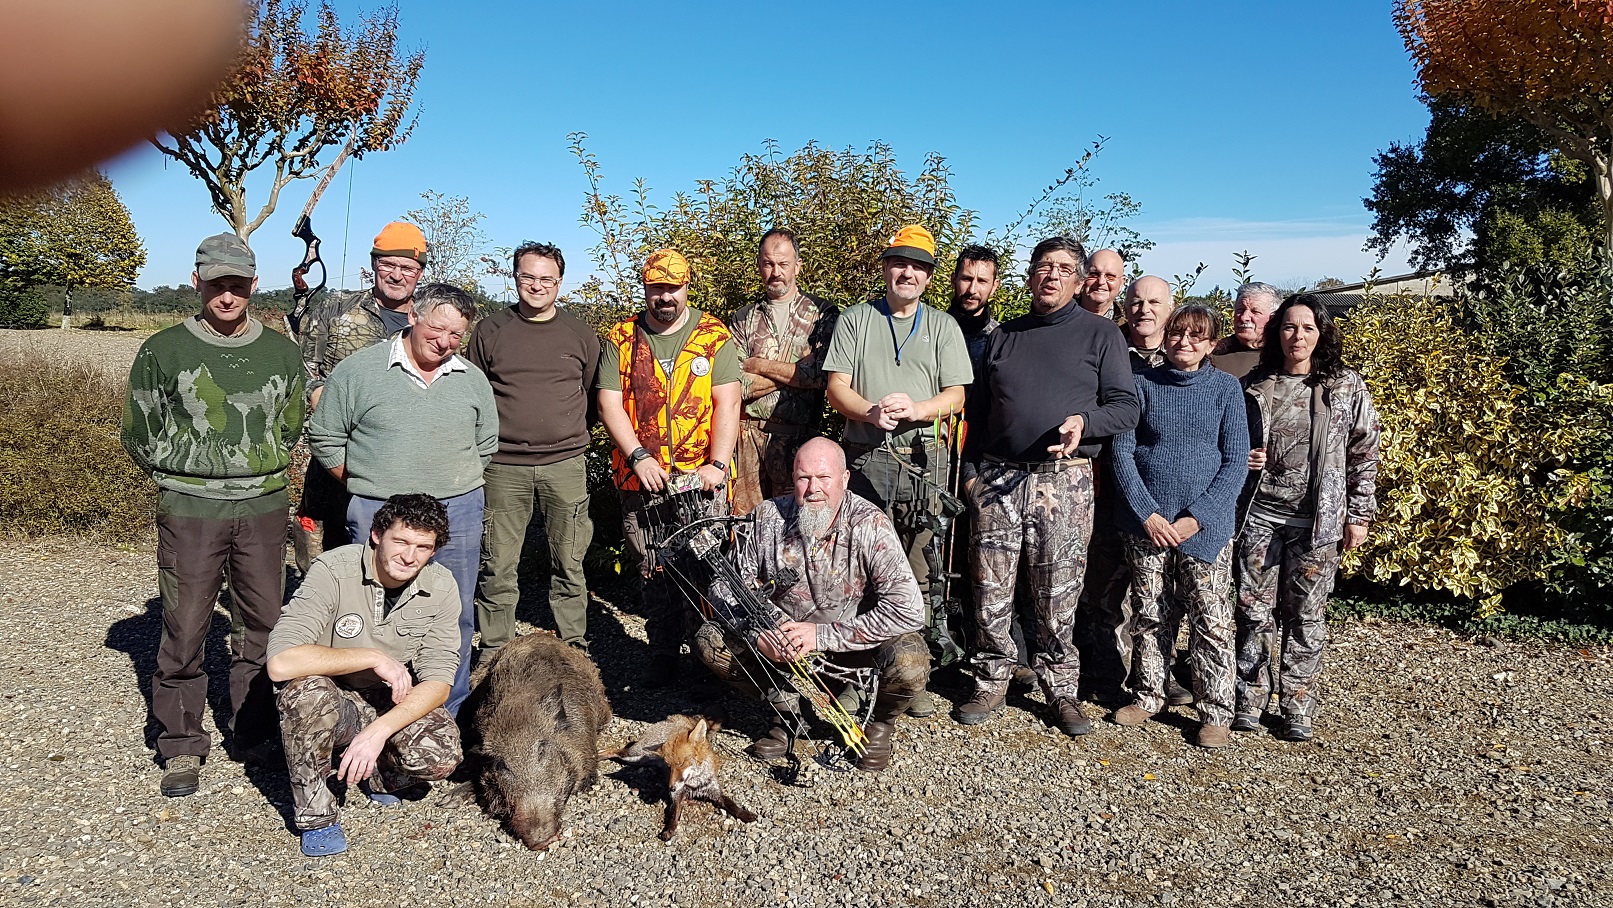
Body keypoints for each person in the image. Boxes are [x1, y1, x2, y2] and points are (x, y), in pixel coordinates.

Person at [120, 233, 306, 797]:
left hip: (265, 504)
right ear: (198, 282)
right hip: (190, 506)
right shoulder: (163, 350)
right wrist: (189, 471)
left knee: (264, 623)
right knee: (186, 622)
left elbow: (290, 424)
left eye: (237, 285)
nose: (227, 295)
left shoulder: (280, 353)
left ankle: (253, 733)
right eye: (216, 284)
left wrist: (254, 467)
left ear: (252, 285)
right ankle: (180, 742)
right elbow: (139, 430)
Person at [956, 236, 1139, 735]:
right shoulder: (1004, 336)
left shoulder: (1100, 335)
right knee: (990, 589)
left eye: (1062, 268)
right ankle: (991, 678)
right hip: (997, 480)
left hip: (1063, 482)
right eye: (1043, 267)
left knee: (1058, 592)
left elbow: (1126, 406)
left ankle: (1060, 688)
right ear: (1030, 276)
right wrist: (971, 474)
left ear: (1079, 280)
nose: (1051, 276)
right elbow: (976, 412)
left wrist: (1085, 421)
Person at [306, 283, 497, 715]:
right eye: (437, 329)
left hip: (458, 509)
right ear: (413, 316)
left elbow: (486, 443)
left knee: (454, 611)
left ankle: (447, 710)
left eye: (456, 335)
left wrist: (452, 478)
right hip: (378, 509)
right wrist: (363, 483)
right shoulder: (358, 371)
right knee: (369, 608)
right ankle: (364, 704)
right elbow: (326, 436)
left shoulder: (471, 379)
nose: (445, 343)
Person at [693, 438, 929, 772]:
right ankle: (788, 711)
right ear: (793, 478)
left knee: (910, 660)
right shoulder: (766, 517)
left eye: (824, 478)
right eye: (804, 478)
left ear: (845, 479)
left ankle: (878, 725)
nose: (813, 489)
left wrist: (822, 636)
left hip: (853, 646)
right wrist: (758, 631)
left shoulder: (870, 524)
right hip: (783, 646)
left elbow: (908, 609)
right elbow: (723, 585)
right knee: (711, 641)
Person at [823, 225, 970, 715]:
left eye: (919, 267)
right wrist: (868, 412)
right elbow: (836, 387)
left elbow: (957, 396)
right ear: (886, 268)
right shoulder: (856, 319)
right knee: (857, 564)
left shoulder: (944, 327)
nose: (908, 273)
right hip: (865, 457)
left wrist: (920, 409)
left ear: (929, 277)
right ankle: (856, 668)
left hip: (926, 460)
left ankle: (912, 673)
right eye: (899, 263)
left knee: (918, 567)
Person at [266, 494, 464, 857]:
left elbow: (439, 680)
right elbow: (280, 662)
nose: (409, 556)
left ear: (434, 550)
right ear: (376, 534)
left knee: (442, 753)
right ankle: (316, 815)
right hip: (331, 695)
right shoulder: (333, 570)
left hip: (384, 699)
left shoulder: (441, 587)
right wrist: (371, 656)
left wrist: (379, 731)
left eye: (423, 547)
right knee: (306, 695)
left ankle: (376, 772)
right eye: (401, 541)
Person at [1234, 294, 1380, 743]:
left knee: (1306, 618)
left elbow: (1364, 452)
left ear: (1321, 333)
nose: (1298, 336)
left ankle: (1297, 708)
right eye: (1289, 327)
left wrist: (1359, 514)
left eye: (1307, 328)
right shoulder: (1256, 382)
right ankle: (1248, 701)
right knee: (1252, 613)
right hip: (1259, 516)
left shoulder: (1345, 385)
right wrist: (1245, 456)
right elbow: (1226, 442)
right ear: (1276, 333)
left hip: (1317, 522)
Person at [597, 249, 742, 684]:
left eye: (673, 287)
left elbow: (728, 403)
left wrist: (717, 464)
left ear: (686, 286)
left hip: (702, 481)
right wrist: (637, 456)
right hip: (641, 480)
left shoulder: (714, 336)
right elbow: (609, 404)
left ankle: (706, 660)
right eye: (656, 288)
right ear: (645, 288)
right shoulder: (621, 338)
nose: (665, 297)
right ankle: (661, 654)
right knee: (653, 567)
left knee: (707, 570)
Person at [1107, 305, 1249, 748]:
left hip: (1204, 528)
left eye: (1196, 336)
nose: (1184, 343)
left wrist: (1196, 519)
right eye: (1177, 334)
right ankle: (1149, 694)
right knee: (1150, 613)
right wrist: (1147, 513)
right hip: (1147, 525)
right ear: (1166, 337)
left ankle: (1215, 710)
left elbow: (1235, 461)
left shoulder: (1227, 390)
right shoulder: (1142, 385)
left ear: (1211, 344)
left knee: (1212, 620)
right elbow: (1122, 453)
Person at [468, 242, 600, 657]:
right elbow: (474, 393)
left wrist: (566, 434)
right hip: (503, 466)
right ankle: (494, 651)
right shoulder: (491, 331)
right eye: (529, 276)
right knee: (497, 566)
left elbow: (594, 396)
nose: (537, 285)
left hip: (565, 463)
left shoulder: (579, 333)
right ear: (515, 277)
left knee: (570, 563)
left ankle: (574, 647)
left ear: (559, 283)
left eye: (546, 278)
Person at [298, 222, 432, 549]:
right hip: (336, 458)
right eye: (387, 264)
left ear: (419, 271)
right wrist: (318, 395)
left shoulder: (432, 320)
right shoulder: (336, 308)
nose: (396, 275)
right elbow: (302, 364)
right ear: (374, 264)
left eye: (407, 267)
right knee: (321, 548)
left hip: (404, 460)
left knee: (395, 547)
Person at [1080, 275, 1180, 705]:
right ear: (1124, 305)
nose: (1144, 309)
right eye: (1136, 301)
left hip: (1161, 498)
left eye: (1155, 302)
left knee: (1160, 594)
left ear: (1170, 308)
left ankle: (1159, 673)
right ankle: (1102, 672)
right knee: (1100, 589)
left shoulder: (1183, 357)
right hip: (1106, 491)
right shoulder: (1106, 346)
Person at [728, 228, 839, 515]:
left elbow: (819, 376)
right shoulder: (743, 318)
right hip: (747, 441)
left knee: (798, 526)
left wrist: (758, 364)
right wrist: (796, 374)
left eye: (783, 263)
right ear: (759, 266)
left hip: (799, 442)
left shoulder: (822, 313)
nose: (775, 271)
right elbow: (738, 385)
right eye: (768, 263)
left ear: (798, 266)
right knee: (747, 527)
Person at [946, 244, 1002, 371]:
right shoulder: (933, 331)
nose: (972, 290)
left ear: (994, 286)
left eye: (982, 281)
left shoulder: (1002, 340)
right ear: (953, 280)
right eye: (966, 279)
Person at [1211, 282, 1282, 380]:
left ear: (1273, 318)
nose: (1244, 317)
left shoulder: (1285, 355)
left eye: (1255, 312)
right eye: (1240, 310)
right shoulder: (1215, 353)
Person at [1078, 248, 1127, 319]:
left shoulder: (1127, 328)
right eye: (1094, 274)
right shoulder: (1059, 316)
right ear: (1082, 277)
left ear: (1121, 283)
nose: (1101, 282)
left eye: (1110, 276)